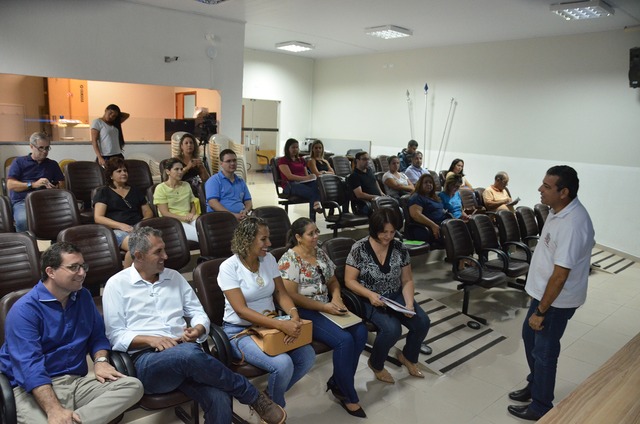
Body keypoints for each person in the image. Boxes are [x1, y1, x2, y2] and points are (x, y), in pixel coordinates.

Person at [102, 227, 287, 424]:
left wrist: (198, 329)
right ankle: (253, 396)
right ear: (138, 255)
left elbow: (198, 313)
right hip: (148, 362)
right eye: (158, 252)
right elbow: (116, 335)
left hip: (188, 354)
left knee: (220, 398)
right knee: (188, 354)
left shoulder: (174, 277)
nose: (165, 255)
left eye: (164, 249)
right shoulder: (116, 285)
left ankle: (245, 396)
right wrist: (152, 339)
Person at [0, 242, 144, 424]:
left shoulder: (82, 296)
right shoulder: (24, 310)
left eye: (83, 266)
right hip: (31, 389)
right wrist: (54, 409)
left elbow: (97, 336)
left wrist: (100, 361)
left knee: (133, 387)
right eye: (74, 268)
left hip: (75, 382)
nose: (82, 273)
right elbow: (30, 368)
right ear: (50, 272)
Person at [507, 166, 595, 421]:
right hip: (543, 297)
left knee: (544, 352)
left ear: (563, 192)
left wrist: (541, 311)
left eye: (546, 186)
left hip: (554, 303)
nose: (540, 189)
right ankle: (535, 386)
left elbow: (560, 275)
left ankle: (541, 405)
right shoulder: (559, 212)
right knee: (530, 339)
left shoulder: (573, 224)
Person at [218, 217, 316, 407]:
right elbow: (241, 311)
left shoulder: (268, 259)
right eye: (263, 239)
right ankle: (274, 409)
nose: (269, 244)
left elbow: (281, 293)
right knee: (283, 364)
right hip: (240, 332)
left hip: (271, 326)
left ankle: (267, 398)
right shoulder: (229, 267)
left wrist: (294, 316)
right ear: (247, 240)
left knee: (307, 356)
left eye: (268, 238)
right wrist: (281, 324)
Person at [278, 218, 368, 418]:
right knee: (344, 341)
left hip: (328, 306)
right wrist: (324, 306)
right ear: (298, 237)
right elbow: (291, 295)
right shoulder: (289, 259)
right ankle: (348, 394)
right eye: (311, 234)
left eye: (317, 231)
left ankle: (338, 381)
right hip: (306, 311)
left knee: (360, 332)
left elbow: (333, 280)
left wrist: (336, 297)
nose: (317, 236)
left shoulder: (320, 253)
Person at [344, 209, 431, 385]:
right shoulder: (359, 248)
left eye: (392, 232)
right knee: (392, 330)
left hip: (395, 293)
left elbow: (407, 280)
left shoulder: (399, 247)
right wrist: (370, 294)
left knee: (422, 322)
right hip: (368, 297)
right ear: (375, 229)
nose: (388, 236)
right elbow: (349, 281)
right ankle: (376, 364)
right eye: (384, 232)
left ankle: (408, 356)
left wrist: (409, 304)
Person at [93, 157, 153, 267]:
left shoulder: (135, 191)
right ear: (111, 175)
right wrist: (121, 226)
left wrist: (140, 224)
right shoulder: (104, 192)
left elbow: (148, 212)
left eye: (125, 171)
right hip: (116, 230)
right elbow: (98, 217)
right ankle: (126, 277)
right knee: (139, 246)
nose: (124, 173)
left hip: (137, 228)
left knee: (153, 244)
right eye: (119, 171)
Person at [6, 132, 65, 232]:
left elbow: (62, 184)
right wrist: (33, 184)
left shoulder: (52, 164)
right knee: (23, 220)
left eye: (47, 148)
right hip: (22, 201)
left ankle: (56, 245)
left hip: (46, 200)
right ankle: (25, 245)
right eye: (41, 148)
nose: (45, 151)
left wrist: (55, 188)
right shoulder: (19, 162)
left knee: (64, 218)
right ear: (31, 147)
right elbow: (10, 185)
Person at [153, 157, 199, 242]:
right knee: (200, 235)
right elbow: (164, 212)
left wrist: (191, 214)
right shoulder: (160, 188)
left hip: (189, 218)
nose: (180, 172)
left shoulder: (186, 185)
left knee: (205, 230)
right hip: (173, 222)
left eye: (181, 169)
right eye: (176, 169)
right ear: (168, 172)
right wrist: (183, 217)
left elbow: (192, 203)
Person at [277, 138, 323, 215]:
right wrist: (305, 178)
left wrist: (310, 177)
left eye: (297, 147)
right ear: (287, 148)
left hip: (303, 183)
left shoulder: (301, 160)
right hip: (290, 185)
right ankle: (313, 216)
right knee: (313, 193)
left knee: (318, 186)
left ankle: (315, 208)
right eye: (293, 147)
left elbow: (306, 175)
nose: (295, 149)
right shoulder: (283, 160)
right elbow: (289, 176)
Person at [205, 149, 252, 220]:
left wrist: (246, 211)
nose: (232, 163)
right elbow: (213, 203)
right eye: (228, 161)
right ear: (221, 163)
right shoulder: (214, 181)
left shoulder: (240, 181)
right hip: (221, 218)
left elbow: (248, 201)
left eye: (234, 160)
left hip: (241, 217)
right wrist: (232, 215)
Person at [407, 173, 448, 242]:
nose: (429, 184)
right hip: (427, 227)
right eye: (426, 182)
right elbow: (416, 215)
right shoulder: (417, 197)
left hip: (442, 224)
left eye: (431, 182)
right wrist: (433, 225)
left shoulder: (435, 197)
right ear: (420, 184)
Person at [347, 151, 384, 216]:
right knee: (387, 212)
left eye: (368, 159)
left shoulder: (369, 170)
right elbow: (359, 194)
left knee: (394, 206)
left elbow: (375, 181)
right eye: (364, 159)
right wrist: (376, 197)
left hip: (377, 201)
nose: (367, 161)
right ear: (357, 160)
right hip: (365, 205)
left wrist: (381, 193)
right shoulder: (354, 176)